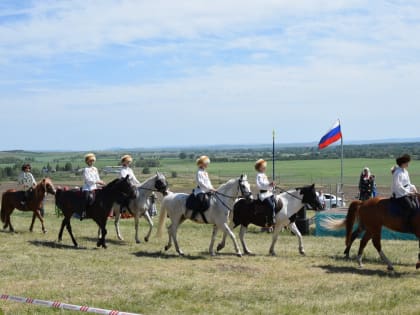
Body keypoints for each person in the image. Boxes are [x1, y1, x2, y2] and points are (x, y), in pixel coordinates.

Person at [392, 154, 418, 229]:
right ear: (403, 163)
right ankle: (405, 223)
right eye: (407, 162)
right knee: (410, 207)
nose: (408, 164)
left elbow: (408, 183)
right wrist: (409, 192)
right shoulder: (397, 173)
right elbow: (398, 186)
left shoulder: (405, 172)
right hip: (400, 194)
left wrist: (414, 189)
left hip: (406, 191)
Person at [81, 153, 105, 220]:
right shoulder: (86, 169)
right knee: (87, 197)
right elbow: (88, 180)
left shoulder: (95, 169)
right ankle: (84, 212)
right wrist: (97, 182)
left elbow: (98, 178)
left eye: (93, 161)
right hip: (87, 188)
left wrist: (101, 182)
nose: (92, 162)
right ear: (87, 161)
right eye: (90, 161)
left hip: (95, 187)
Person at [255, 159, 276, 226]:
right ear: (259, 167)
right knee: (271, 206)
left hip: (269, 193)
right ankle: (270, 221)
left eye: (264, 166)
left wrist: (272, 187)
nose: (264, 168)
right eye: (263, 167)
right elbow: (260, 185)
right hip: (263, 195)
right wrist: (269, 185)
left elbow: (267, 184)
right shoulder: (258, 176)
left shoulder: (264, 174)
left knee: (276, 202)